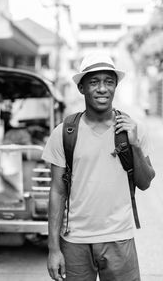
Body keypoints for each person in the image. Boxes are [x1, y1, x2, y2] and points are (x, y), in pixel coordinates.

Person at [42, 53, 155, 281]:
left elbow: (145, 182)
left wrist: (134, 145)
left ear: (115, 87)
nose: (102, 88)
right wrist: (53, 249)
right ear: (81, 88)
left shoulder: (134, 129)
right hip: (75, 241)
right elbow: (56, 191)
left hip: (119, 239)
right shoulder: (64, 133)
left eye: (109, 82)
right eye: (94, 82)